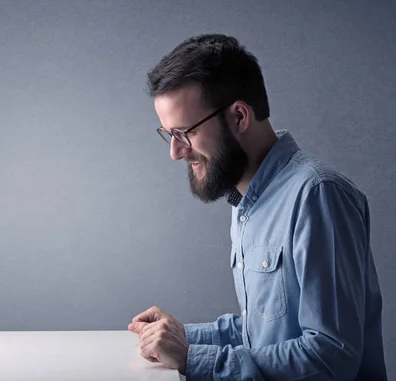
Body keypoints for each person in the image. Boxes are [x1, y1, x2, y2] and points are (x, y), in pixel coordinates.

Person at [128, 34, 386, 380]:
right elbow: (263, 332)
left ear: (239, 117)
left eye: (183, 132)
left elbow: (330, 356)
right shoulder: (246, 202)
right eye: (168, 134)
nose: (175, 152)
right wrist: (180, 336)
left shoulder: (318, 196)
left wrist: (194, 358)